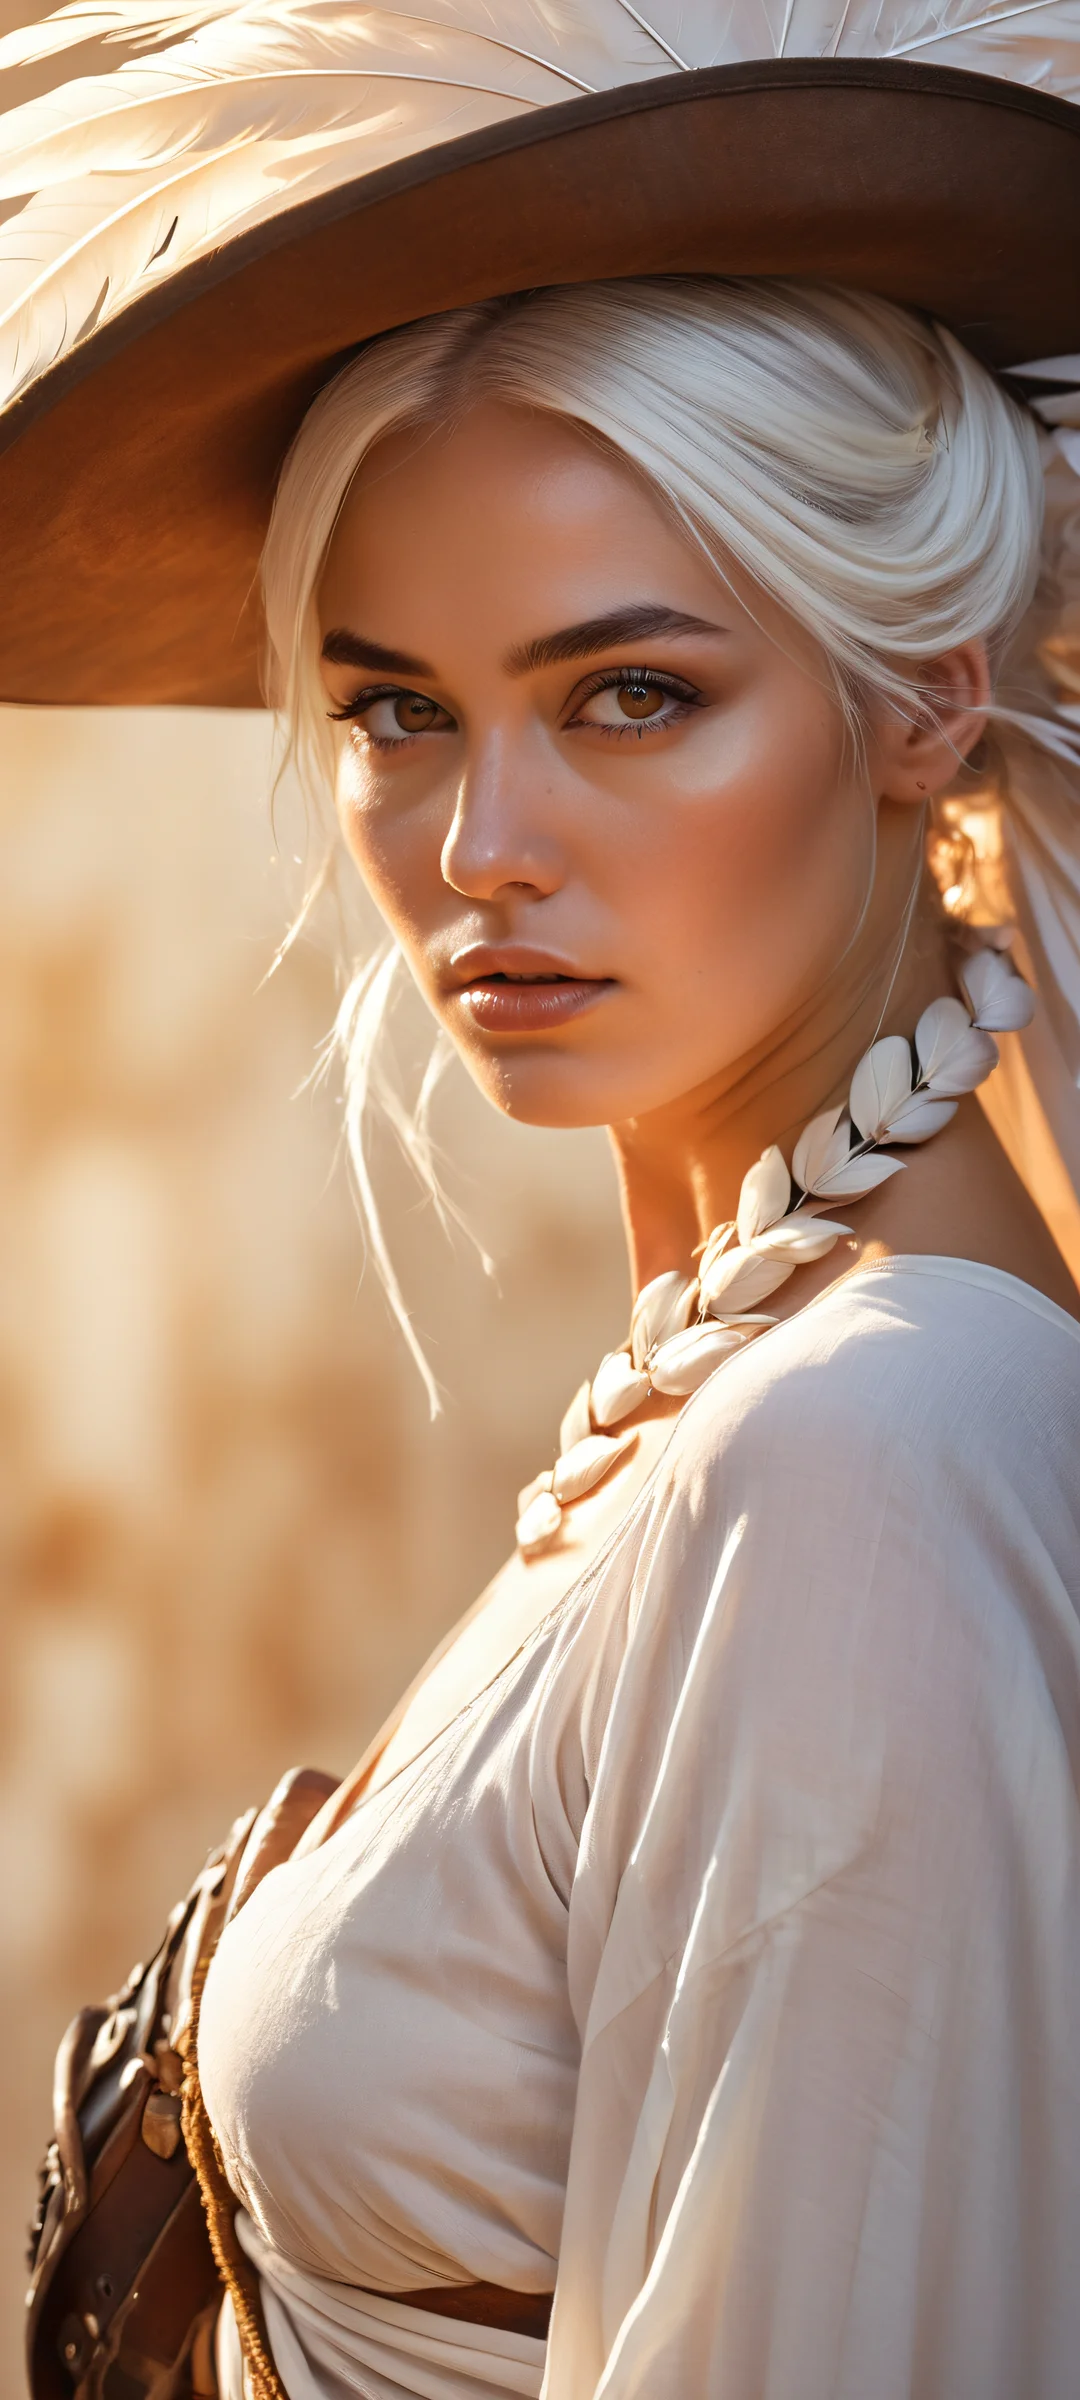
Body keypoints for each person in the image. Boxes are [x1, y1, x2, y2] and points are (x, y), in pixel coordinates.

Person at [5, 12, 1080, 2400]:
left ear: (922, 696)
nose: (483, 847)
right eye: (399, 712)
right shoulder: (752, 1389)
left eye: (627, 696)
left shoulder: (870, 1453)